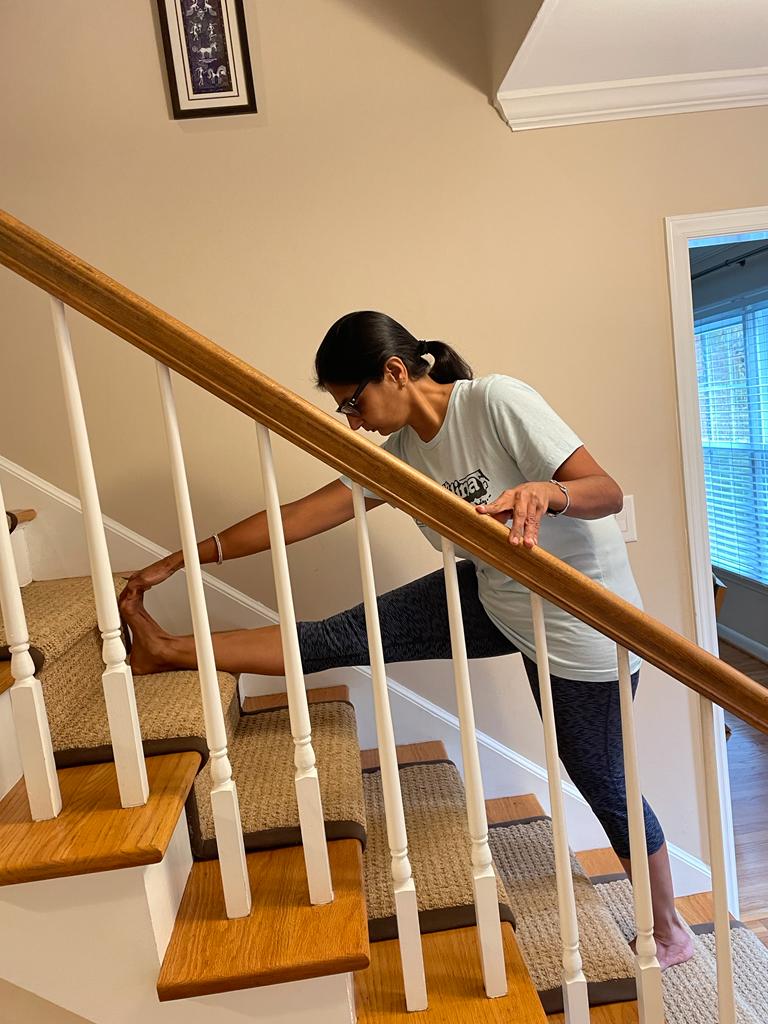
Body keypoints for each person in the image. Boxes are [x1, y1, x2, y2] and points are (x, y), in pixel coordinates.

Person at [119, 310, 694, 969]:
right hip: (493, 596)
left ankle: (671, 930)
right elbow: (298, 517)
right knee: (342, 635)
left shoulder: (497, 401)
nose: (353, 422)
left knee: (600, 776)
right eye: (344, 411)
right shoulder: (401, 459)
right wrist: (185, 557)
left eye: (353, 403)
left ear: (395, 371)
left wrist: (547, 491)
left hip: (581, 624)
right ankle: (165, 650)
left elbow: (607, 492)